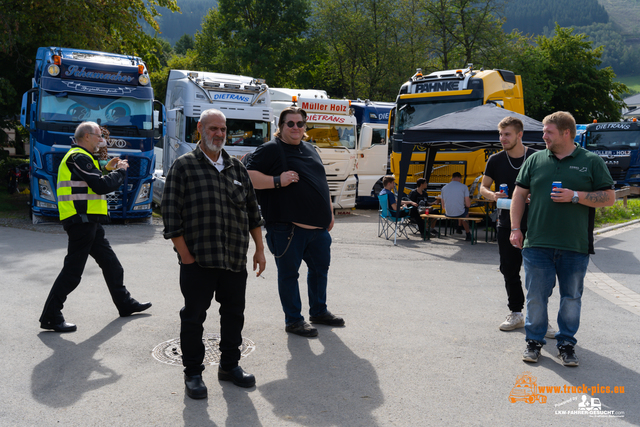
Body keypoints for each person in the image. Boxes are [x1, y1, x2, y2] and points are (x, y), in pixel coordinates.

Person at [161, 109, 266, 399]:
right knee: (193, 317)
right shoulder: (183, 166)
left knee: (234, 315)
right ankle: (193, 373)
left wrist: (259, 249)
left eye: (223, 129)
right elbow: (171, 218)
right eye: (213, 128)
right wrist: (186, 258)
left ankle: (230, 366)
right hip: (198, 260)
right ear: (200, 129)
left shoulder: (236, 168)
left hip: (234, 259)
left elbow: (252, 212)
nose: (219, 134)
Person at [510, 111, 614, 367]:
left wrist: (575, 196)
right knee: (535, 296)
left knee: (571, 298)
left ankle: (566, 344)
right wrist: (515, 228)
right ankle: (534, 343)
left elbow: (609, 197)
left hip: (574, 245)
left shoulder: (590, 161)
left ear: (566, 132)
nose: (543, 136)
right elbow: (519, 194)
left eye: (548, 132)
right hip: (537, 243)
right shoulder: (535, 160)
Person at [39, 122, 151, 333]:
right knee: (72, 272)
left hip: (89, 221)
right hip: (81, 221)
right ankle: (51, 316)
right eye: (99, 136)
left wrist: (106, 168)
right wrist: (120, 171)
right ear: (87, 136)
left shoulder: (84, 158)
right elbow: (100, 185)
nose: (102, 140)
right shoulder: (77, 156)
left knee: (111, 264)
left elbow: (91, 178)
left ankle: (124, 304)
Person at [246, 106, 344, 338]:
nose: (296, 128)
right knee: (289, 275)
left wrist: (328, 209)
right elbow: (247, 177)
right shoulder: (270, 149)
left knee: (320, 270)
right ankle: (294, 320)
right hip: (287, 229)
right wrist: (278, 180)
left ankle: (318, 311)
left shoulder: (310, 148)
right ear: (281, 127)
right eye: (290, 123)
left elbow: (321, 180)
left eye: (300, 123)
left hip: (318, 229)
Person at [480, 117, 556, 337]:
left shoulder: (537, 157)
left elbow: (551, 185)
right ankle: (516, 312)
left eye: (507, 135)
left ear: (519, 135)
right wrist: (492, 194)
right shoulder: (495, 160)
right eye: (501, 135)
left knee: (540, 273)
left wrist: (536, 194)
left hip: (536, 223)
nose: (502, 139)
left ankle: (541, 318)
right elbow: (483, 187)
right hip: (507, 223)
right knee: (509, 269)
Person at [440, 172, 472, 241]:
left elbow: (443, 206)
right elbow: (468, 205)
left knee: (461, 209)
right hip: (460, 213)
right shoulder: (464, 187)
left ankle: (459, 227)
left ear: (452, 178)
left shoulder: (444, 187)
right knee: (465, 212)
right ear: (460, 179)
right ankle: (468, 233)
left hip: (448, 213)